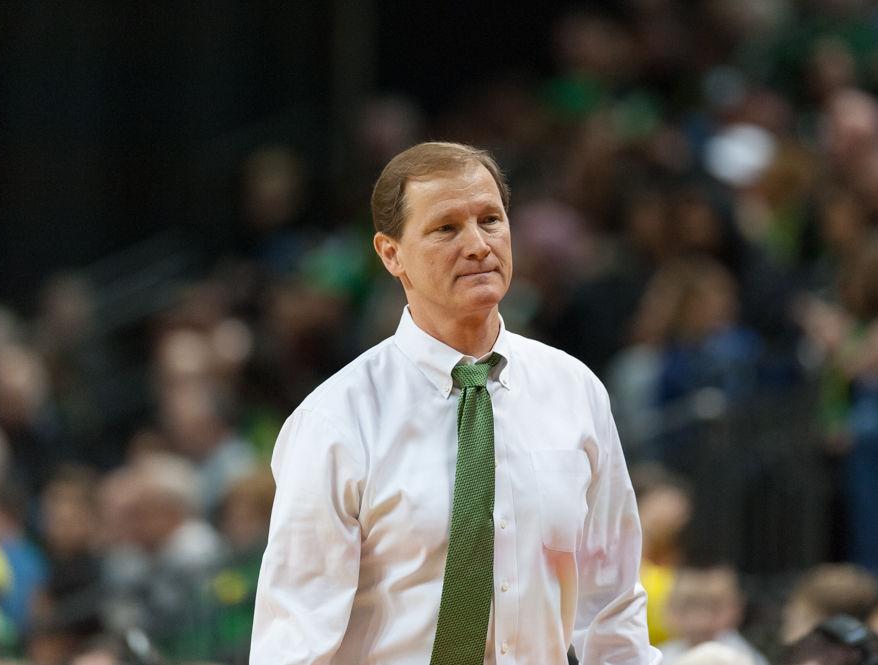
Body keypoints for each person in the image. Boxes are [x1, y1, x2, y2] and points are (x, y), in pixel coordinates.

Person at [250, 142, 660, 664]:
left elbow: (613, 604)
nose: (478, 245)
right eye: (446, 228)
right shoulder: (334, 420)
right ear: (391, 253)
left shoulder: (575, 390)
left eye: (490, 220)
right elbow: (294, 641)